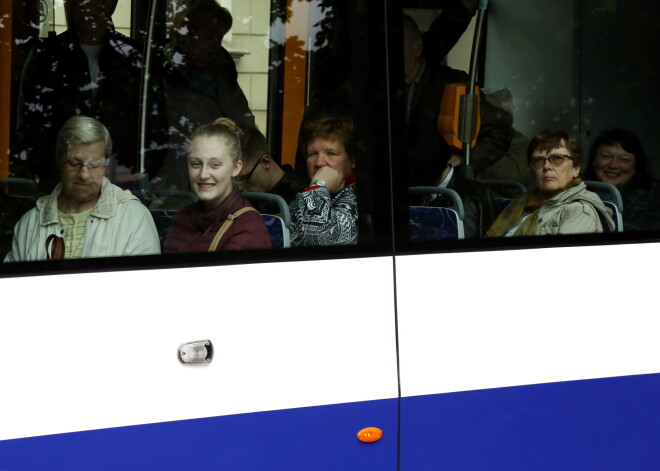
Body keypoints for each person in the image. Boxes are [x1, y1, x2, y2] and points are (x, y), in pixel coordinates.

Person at [13, 0, 168, 193]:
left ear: (112, 3)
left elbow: (155, 128)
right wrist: (63, 172)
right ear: (69, 4)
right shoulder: (46, 56)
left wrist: (135, 171)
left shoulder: (134, 57)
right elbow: (29, 129)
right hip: (60, 187)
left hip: (122, 186)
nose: (90, 4)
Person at [4, 116, 161, 262]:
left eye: (94, 165)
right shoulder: (30, 222)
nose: (84, 175)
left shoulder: (134, 217)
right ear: (60, 160)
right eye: (74, 163)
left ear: (105, 165)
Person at [150, 0, 254, 198]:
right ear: (184, 36)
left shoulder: (222, 73)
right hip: (167, 179)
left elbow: (244, 126)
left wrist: (236, 138)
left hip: (213, 177)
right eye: (208, 37)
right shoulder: (155, 68)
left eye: (219, 38)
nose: (215, 44)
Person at [403, 12, 513, 187]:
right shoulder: (378, 91)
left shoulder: (452, 84)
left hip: (442, 188)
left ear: (417, 47)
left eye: (396, 46)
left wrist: (465, 158)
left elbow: (499, 131)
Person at [163, 118, 271, 253]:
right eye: (196, 164)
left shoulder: (248, 229)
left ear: (236, 168)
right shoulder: (183, 219)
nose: (203, 174)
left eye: (215, 165)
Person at [485, 129, 615, 237]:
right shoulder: (522, 202)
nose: (547, 166)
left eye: (557, 158)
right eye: (539, 160)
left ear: (576, 169)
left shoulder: (580, 211)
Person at [289, 114, 358, 247]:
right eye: (313, 154)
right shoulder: (304, 194)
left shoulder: (360, 199)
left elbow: (319, 240)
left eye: (331, 153)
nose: (319, 162)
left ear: (352, 160)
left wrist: (319, 186)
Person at [584, 129, 660, 232]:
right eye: (606, 156)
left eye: (624, 159)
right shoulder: (576, 191)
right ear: (593, 160)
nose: (613, 165)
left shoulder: (643, 201)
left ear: (636, 167)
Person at [234, 125, 308, 213]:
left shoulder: (302, 196)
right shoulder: (247, 198)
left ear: (265, 162)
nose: (239, 187)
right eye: (234, 179)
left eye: (243, 178)